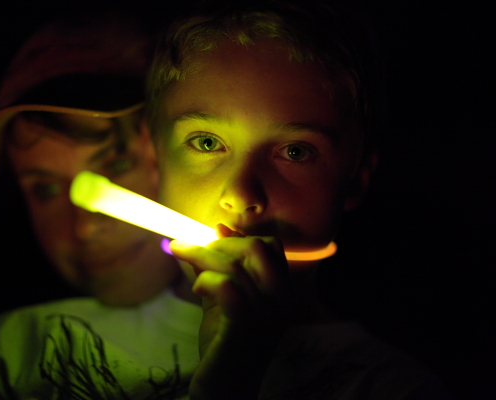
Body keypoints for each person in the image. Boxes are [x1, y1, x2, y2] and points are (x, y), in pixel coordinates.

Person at [144, 1, 451, 399]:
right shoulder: (42, 337)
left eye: (295, 152)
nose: (240, 196)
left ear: (355, 180)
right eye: (206, 143)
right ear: (154, 159)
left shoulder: (391, 387)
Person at [0, 12, 201, 400]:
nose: (84, 227)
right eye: (45, 190)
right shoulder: (1, 357)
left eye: (116, 166)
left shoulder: (296, 338)